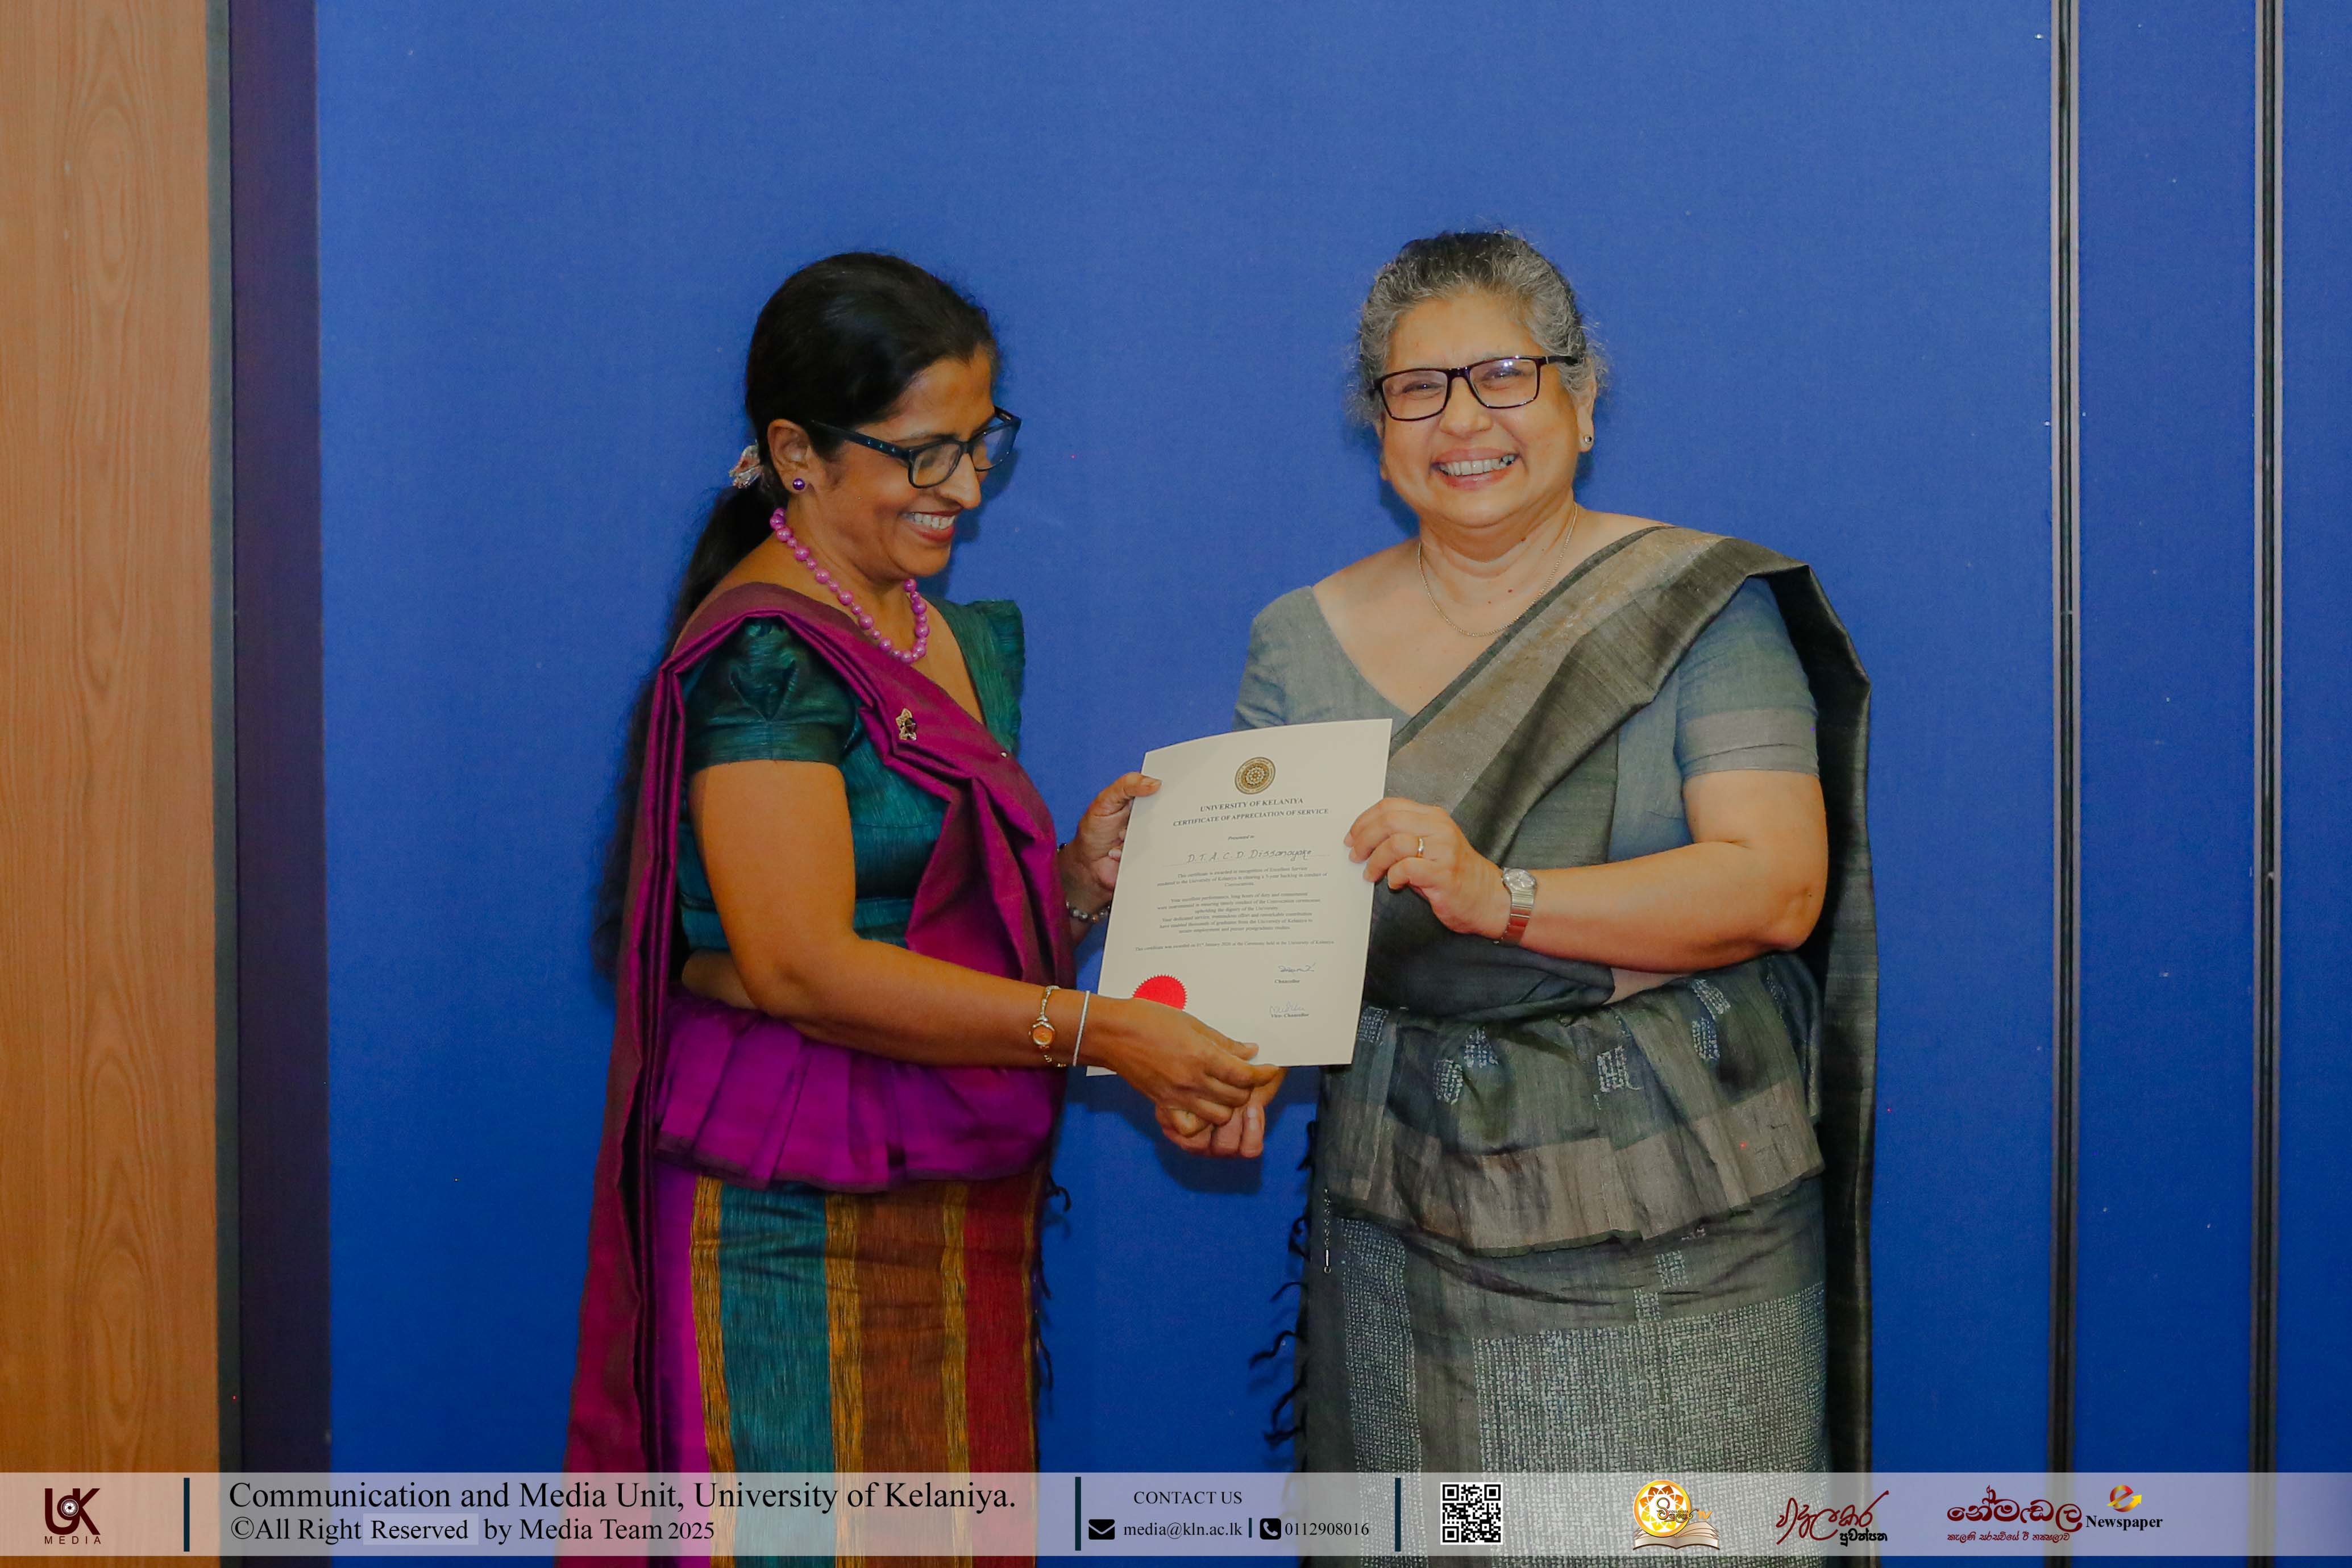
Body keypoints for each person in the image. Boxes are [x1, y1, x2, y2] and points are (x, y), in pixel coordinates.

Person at [567, 252, 1278, 1477]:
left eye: (980, 440)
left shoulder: (932, 629)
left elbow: (924, 923)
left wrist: (1073, 883)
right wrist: (1102, 1033)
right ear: (797, 453)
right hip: (788, 1220)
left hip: (956, 1201)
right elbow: (798, 967)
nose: (965, 486)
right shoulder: (768, 655)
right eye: (922, 453)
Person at [1180, 231, 1876, 1478]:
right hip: (1404, 1205)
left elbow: (1774, 887)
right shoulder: (1296, 639)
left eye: (1504, 374)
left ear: (1582, 398)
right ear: (1378, 426)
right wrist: (1215, 1048)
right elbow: (1271, 925)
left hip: (1674, 1200)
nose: (1462, 420)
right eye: (1416, 388)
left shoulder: (1696, 605)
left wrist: (1496, 897)